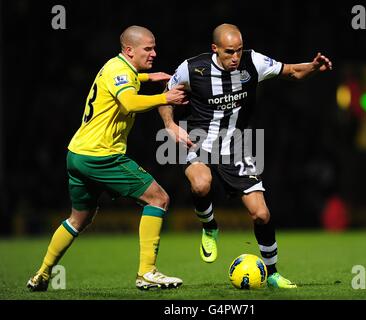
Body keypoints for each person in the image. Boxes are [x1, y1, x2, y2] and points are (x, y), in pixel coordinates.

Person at [159, 23, 332, 288]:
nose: (235, 57)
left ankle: (272, 273)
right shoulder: (193, 68)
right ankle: (210, 226)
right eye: (229, 52)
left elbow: (291, 72)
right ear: (215, 49)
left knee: (261, 214)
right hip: (198, 140)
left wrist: (312, 67)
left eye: (239, 50)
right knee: (201, 183)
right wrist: (170, 126)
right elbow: (165, 96)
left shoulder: (253, 62)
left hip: (237, 144)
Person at [27, 25, 188, 291]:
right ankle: (147, 272)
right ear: (129, 50)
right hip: (101, 156)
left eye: (154, 48)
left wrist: (148, 78)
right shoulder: (119, 71)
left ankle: (42, 274)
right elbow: (129, 102)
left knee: (79, 219)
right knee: (158, 198)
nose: (154, 54)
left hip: (77, 154)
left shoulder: (118, 67)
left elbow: (128, 81)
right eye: (148, 49)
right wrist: (165, 96)